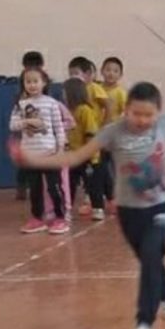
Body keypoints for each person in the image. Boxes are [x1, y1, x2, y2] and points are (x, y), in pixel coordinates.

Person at [13, 58, 165, 329]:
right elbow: (75, 157)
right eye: (136, 113)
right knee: (149, 257)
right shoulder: (113, 131)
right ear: (126, 109)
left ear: (157, 113)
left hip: (160, 206)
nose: (142, 120)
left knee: (151, 255)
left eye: (148, 115)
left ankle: (144, 322)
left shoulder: (164, 124)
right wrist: (33, 160)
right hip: (129, 211)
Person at [10, 68, 68, 235]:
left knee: (54, 187)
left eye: (35, 81)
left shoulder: (51, 103)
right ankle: (37, 218)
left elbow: (59, 128)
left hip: (50, 155)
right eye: (28, 81)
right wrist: (27, 122)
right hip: (31, 156)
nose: (32, 85)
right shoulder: (20, 105)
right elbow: (12, 125)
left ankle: (60, 218)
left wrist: (60, 149)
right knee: (34, 189)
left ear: (44, 83)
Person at [63, 77, 104, 221]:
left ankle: (98, 208)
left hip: (88, 156)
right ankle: (66, 208)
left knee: (92, 184)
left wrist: (87, 154)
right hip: (73, 155)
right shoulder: (66, 111)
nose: (63, 96)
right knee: (69, 183)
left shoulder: (85, 110)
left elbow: (90, 133)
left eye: (65, 93)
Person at [100, 56, 128, 211]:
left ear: (120, 75)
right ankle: (95, 198)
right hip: (98, 134)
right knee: (98, 168)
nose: (111, 73)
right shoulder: (97, 89)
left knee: (114, 168)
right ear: (102, 71)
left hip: (114, 137)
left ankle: (116, 198)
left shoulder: (120, 93)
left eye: (115, 71)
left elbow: (126, 113)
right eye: (108, 70)